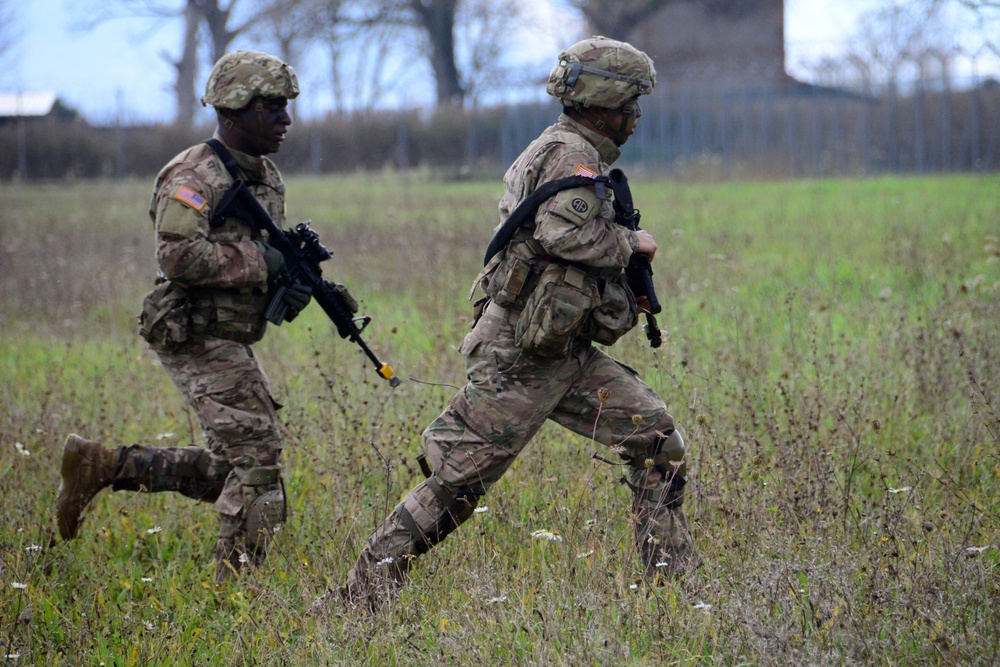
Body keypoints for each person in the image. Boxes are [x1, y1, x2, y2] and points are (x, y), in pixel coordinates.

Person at [339, 36, 696, 610]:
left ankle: (674, 589)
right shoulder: (569, 155)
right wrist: (633, 243)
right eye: (632, 101)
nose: (636, 116)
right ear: (603, 101)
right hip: (521, 355)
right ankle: (356, 598)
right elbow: (564, 232)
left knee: (657, 440)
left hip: (560, 347)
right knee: (456, 484)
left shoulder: (571, 152)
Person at [56, 50, 312, 581]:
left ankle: (104, 466)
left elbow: (260, 249)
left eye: (287, 106)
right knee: (260, 463)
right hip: (192, 330)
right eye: (272, 107)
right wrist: (260, 264)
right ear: (234, 112)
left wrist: (296, 278)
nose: (285, 119)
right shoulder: (195, 175)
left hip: (230, 332)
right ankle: (232, 597)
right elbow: (175, 256)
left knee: (228, 469)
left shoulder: (265, 176)